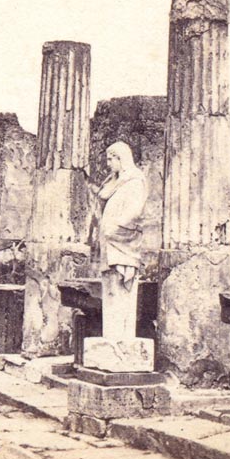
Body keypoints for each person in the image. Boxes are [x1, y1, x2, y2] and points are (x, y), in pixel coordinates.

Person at [91, 141, 148, 341]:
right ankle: (112, 339)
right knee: (111, 291)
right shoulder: (115, 180)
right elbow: (103, 195)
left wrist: (114, 229)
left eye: (110, 158)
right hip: (109, 243)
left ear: (120, 158)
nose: (108, 163)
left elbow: (135, 212)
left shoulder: (134, 180)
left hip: (122, 242)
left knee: (121, 291)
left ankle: (119, 341)